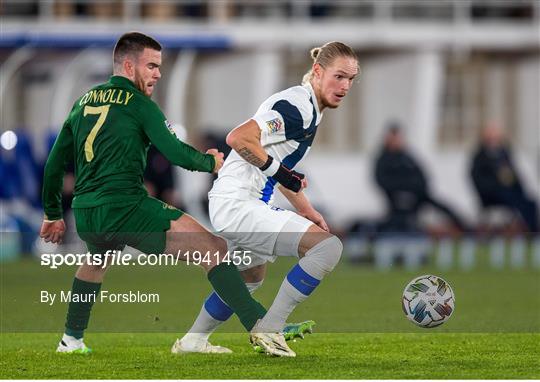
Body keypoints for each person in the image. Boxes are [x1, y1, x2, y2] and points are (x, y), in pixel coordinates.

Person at [40, 32, 291, 357]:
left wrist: (52, 214)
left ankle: (70, 340)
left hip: (87, 212)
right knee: (213, 248)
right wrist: (210, 161)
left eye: (160, 66)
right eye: (152, 66)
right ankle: (260, 325)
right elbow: (174, 152)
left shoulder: (83, 101)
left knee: (95, 262)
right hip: (125, 207)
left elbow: (55, 163)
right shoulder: (140, 105)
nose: (158, 73)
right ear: (129, 66)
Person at [175, 42, 359, 356]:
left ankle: (192, 341)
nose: (345, 86)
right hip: (238, 203)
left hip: (237, 202)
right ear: (317, 71)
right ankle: (269, 329)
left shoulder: (310, 109)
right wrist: (280, 172)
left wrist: (308, 210)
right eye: (338, 76)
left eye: (351, 79)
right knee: (328, 249)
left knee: (249, 275)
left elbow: (279, 170)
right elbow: (239, 138)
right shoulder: (297, 107)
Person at [374, 122, 467, 233]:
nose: (397, 141)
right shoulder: (383, 159)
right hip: (397, 198)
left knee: (444, 207)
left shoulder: (408, 157)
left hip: (418, 195)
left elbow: (422, 176)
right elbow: (383, 181)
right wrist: (404, 187)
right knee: (399, 219)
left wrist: (417, 189)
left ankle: (465, 229)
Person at [470, 122, 538, 233]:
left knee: (529, 202)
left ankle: (533, 231)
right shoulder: (479, 157)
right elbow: (479, 180)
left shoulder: (505, 153)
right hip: (491, 195)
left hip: (510, 192)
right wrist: (498, 183)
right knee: (513, 198)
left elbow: (514, 175)